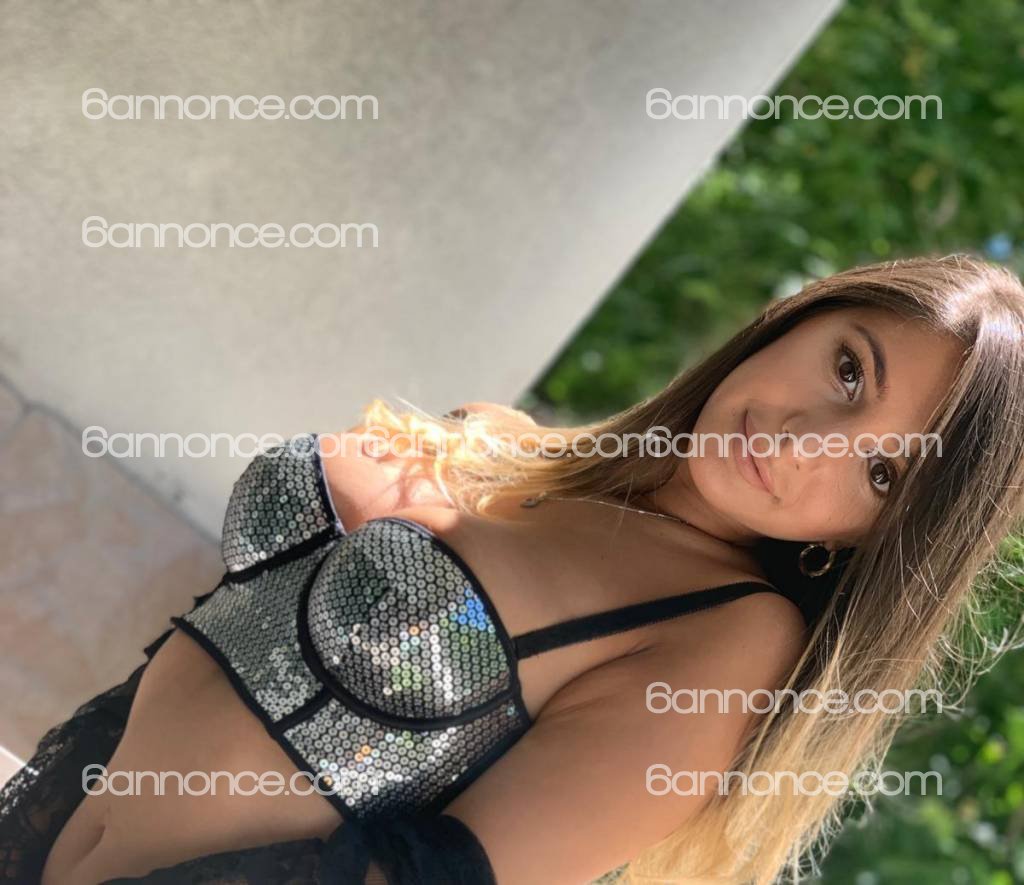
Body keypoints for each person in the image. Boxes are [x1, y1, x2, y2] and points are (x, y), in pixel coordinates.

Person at [2, 254, 1023, 884]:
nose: (806, 441)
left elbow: (443, 879)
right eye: (848, 369)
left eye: (881, 472)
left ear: (880, 541)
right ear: (799, 314)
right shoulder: (511, 451)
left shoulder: (729, 637)